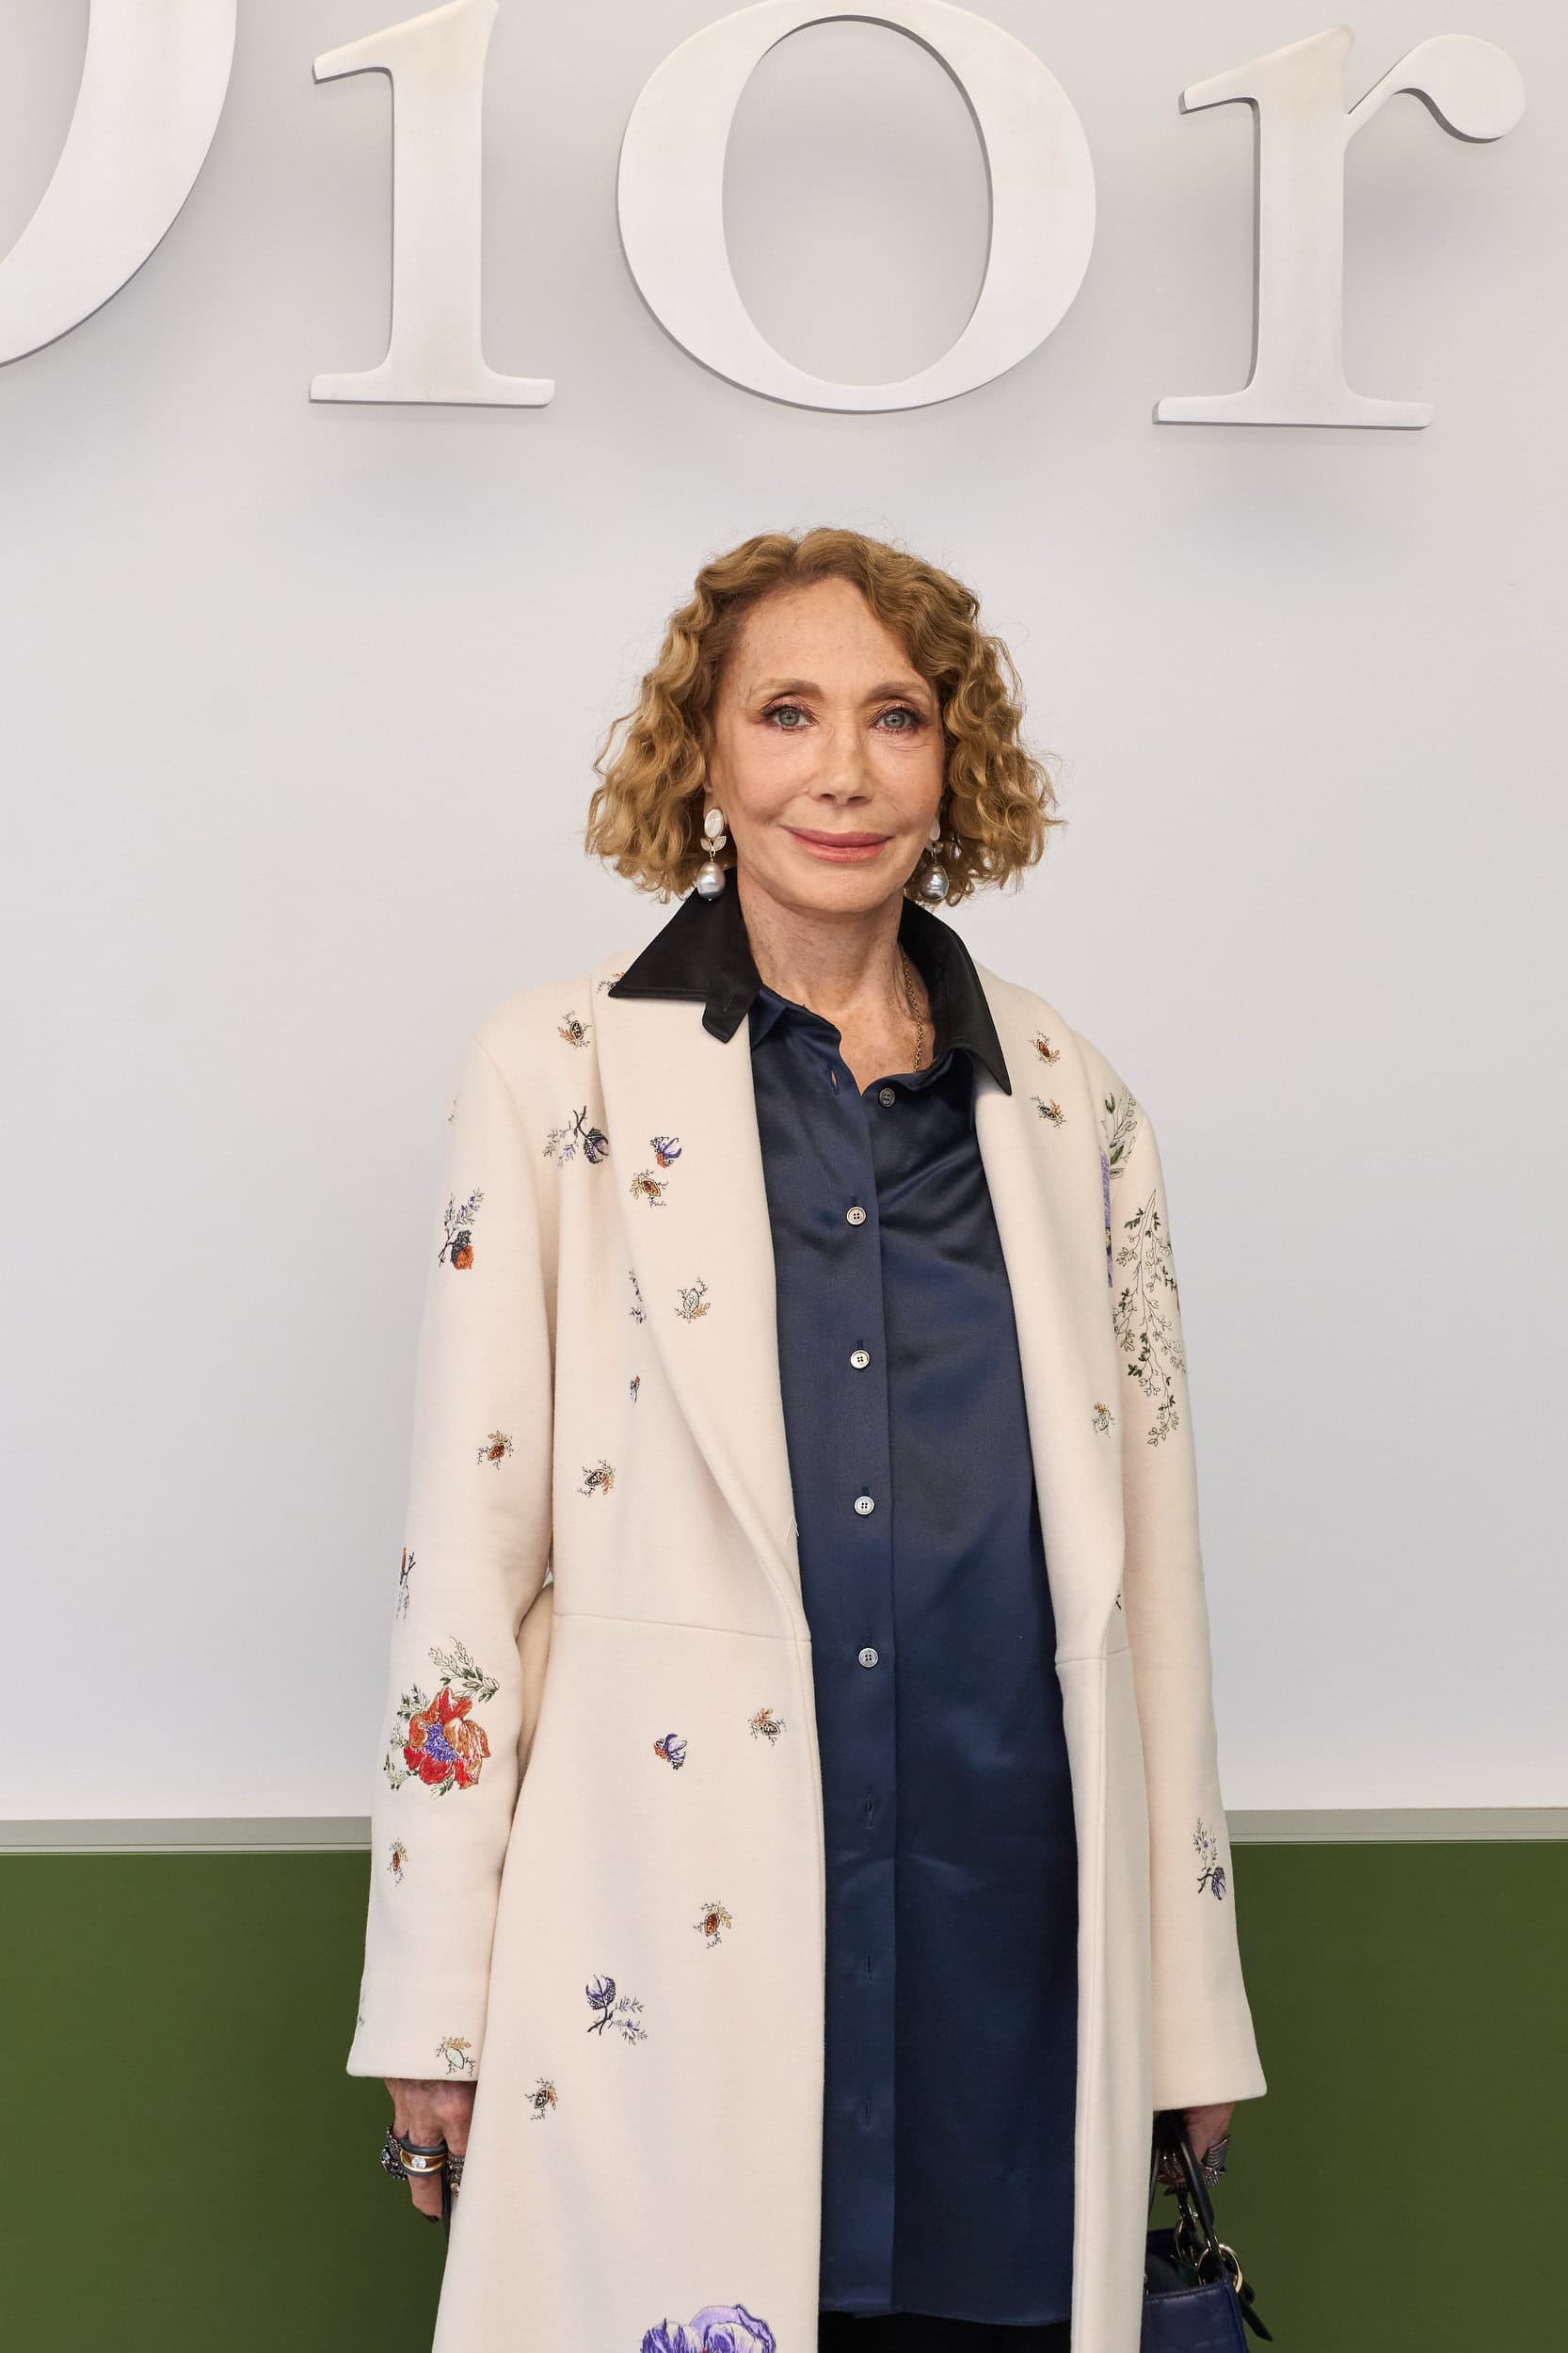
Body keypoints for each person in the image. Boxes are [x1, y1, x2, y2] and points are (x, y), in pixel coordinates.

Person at [346, 527, 1266, 2353]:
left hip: (1015, 1939)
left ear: (953, 760)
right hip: (660, 1926)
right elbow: (468, 1554)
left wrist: (1185, 2009)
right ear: (700, 752)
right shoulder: (552, 1072)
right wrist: (434, 1993)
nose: (841, 770)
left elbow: (1150, 1585)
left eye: (894, 717)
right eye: (784, 712)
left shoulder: (1069, 1101)